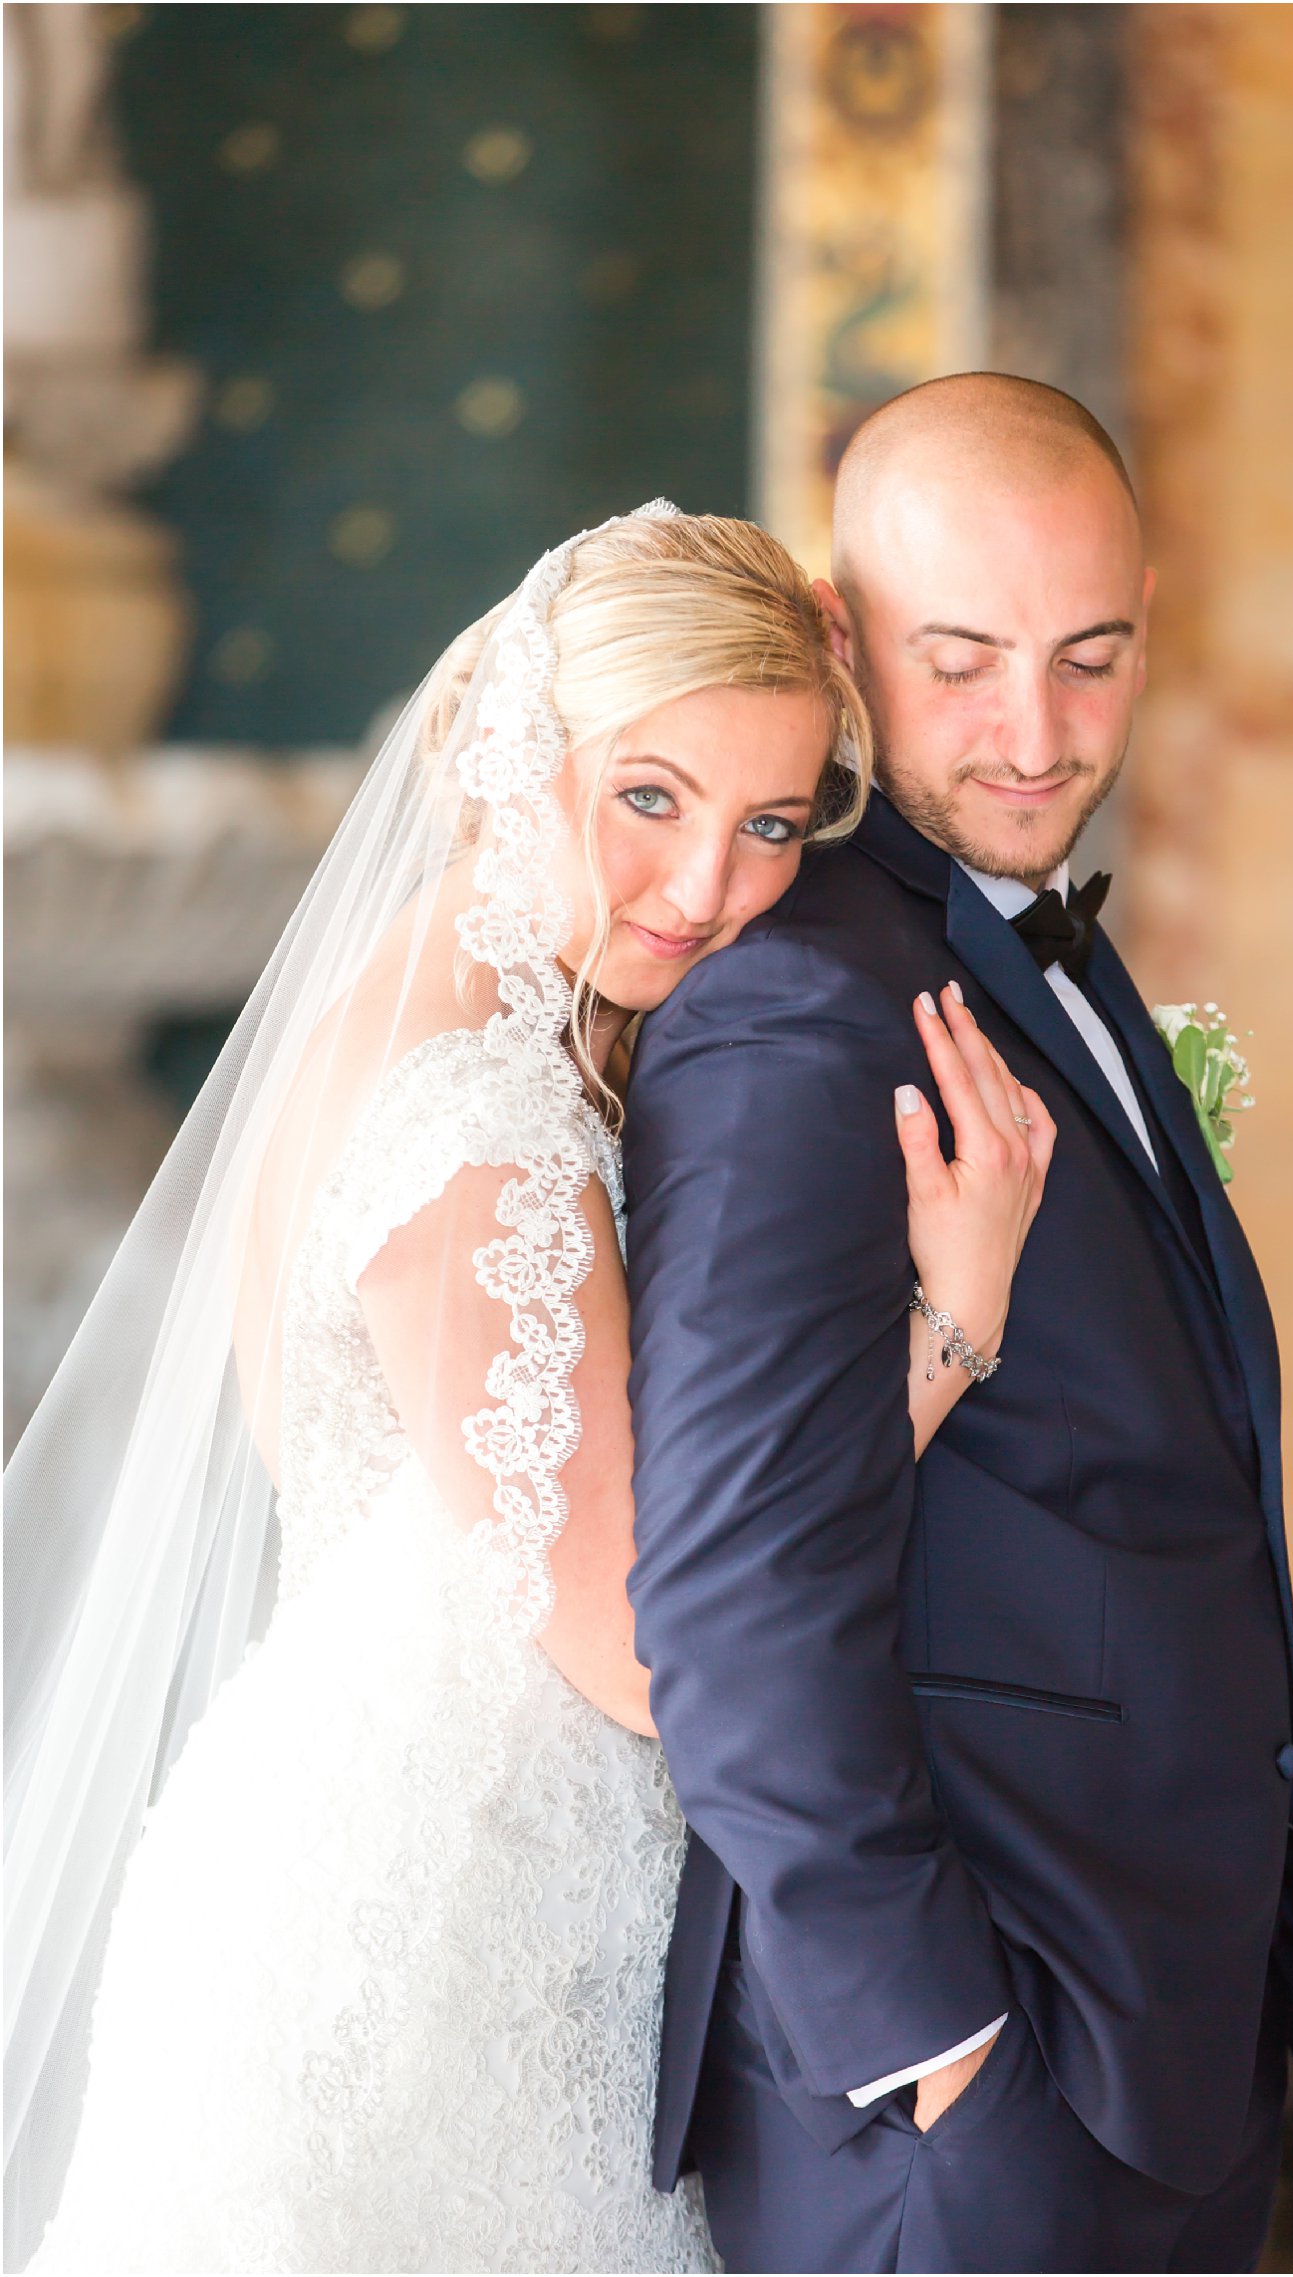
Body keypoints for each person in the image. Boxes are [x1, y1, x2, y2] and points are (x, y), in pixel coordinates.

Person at [3, 503, 1053, 2276]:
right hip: (418, 1972)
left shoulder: (474, 1009)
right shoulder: (469, 1113)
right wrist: (952, 1327)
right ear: (514, 747)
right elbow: (650, 1643)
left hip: (476, 1911)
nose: (707, 890)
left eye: (770, 823)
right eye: (648, 796)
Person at [625, 379, 1293, 2275]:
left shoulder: (1031, 937)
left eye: (1092, 657)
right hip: (976, 2090)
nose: (1034, 734)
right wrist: (937, 2049)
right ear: (841, 636)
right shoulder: (795, 1007)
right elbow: (730, 1588)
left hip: (1171, 2027)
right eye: (960, 662)